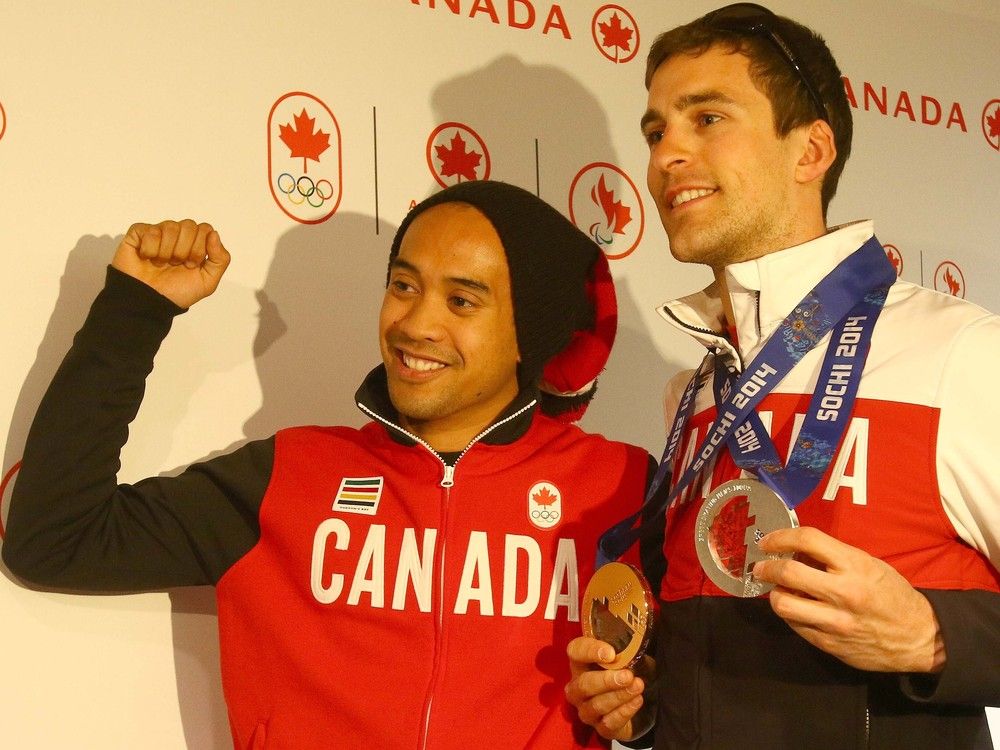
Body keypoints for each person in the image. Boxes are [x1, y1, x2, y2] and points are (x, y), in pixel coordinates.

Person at [2, 180, 654, 749]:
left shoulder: (620, 489)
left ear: (528, 333)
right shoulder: (291, 475)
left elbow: (698, 689)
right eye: (404, 284)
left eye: (462, 301)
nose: (416, 323)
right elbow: (53, 540)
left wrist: (644, 716)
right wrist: (134, 310)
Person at [565, 4, 1000, 749]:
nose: (666, 153)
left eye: (707, 118)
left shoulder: (957, 353)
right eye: (655, 130)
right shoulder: (693, 392)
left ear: (811, 151)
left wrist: (935, 636)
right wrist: (639, 704)